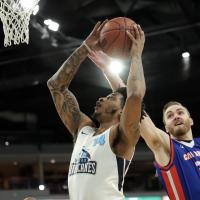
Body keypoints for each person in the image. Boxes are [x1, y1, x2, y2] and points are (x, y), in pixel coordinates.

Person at [47, 20, 146, 200]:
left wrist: (136, 55)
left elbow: (135, 95)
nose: (101, 98)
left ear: (123, 112)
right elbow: (56, 86)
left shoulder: (122, 135)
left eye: (110, 98)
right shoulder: (82, 129)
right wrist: (85, 47)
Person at [140, 101, 200, 199]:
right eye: (170, 116)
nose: (176, 117)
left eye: (180, 112)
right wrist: (131, 99)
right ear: (166, 128)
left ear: (191, 121)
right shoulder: (168, 147)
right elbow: (154, 136)